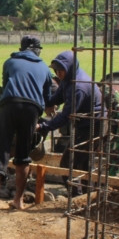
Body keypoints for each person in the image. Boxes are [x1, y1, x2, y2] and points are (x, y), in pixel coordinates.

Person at [0, 35, 56, 217]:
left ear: (21, 48)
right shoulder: (44, 69)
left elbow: (5, 85)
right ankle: (18, 200)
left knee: (0, 149)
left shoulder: (10, 62)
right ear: (38, 51)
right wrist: (50, 112)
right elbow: (48, 99)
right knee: (24, 154)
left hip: (9, 105)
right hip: (32, 110)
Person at [39, 50, 104, 195]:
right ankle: (87, 195)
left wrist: (44, 126)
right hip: (84, 124)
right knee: (83, 162)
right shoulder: (68, 79)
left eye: (61, 70)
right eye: (56, 70)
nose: (58, 73)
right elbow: (54, 99)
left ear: (69, 68)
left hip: (94, 125)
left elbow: (67, 115)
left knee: (68, 162)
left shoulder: (78, 87)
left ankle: (77, 197)